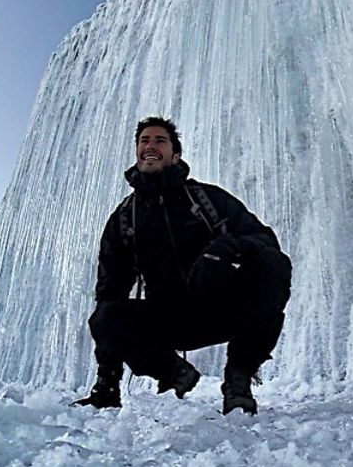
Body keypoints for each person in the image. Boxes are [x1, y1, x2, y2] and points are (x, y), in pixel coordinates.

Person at [74, 116, 292, 415]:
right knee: (105, 317)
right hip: (168, 320)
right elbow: (109, 294)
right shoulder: (125, 218)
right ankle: (173, 373)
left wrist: (224, 249)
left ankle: (238, 381)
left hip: (220, 306)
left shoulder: (207, 199)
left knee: (272, 264)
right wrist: (106, 384)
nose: (150, 145)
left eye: (159, 140)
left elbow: (263, 238)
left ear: (175, 155)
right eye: (144, 141)